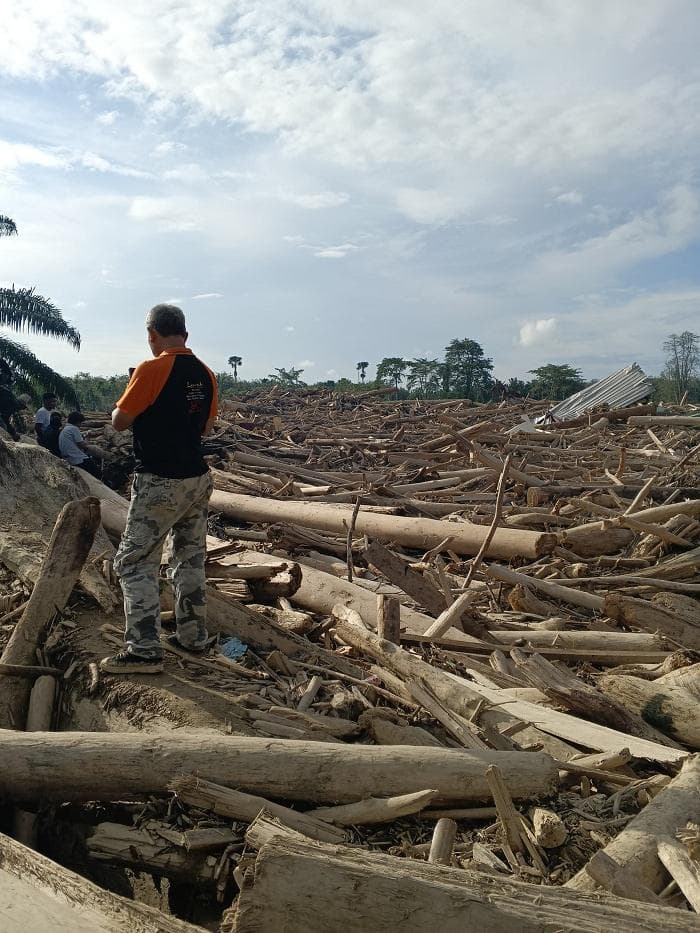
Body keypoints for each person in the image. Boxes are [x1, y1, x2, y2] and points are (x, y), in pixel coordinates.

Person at [100, 303, 218, 674]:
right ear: (185, 332)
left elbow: (120, 422)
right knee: (190, 558)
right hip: (198, 479)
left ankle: (144, 649)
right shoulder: (207, 374)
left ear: (152, 335)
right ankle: (193, 636)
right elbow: (206, 430)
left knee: (134, 562)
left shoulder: (152, 368)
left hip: (160, 481)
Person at [59, 411, 101, 477]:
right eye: (80, 423)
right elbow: (83, 446)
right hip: (75, 458)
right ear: (77, 422)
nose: (80, 425)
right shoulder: (74, 428)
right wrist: (87, 437)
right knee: (95, 469)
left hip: (67, 457)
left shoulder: (66, 429)